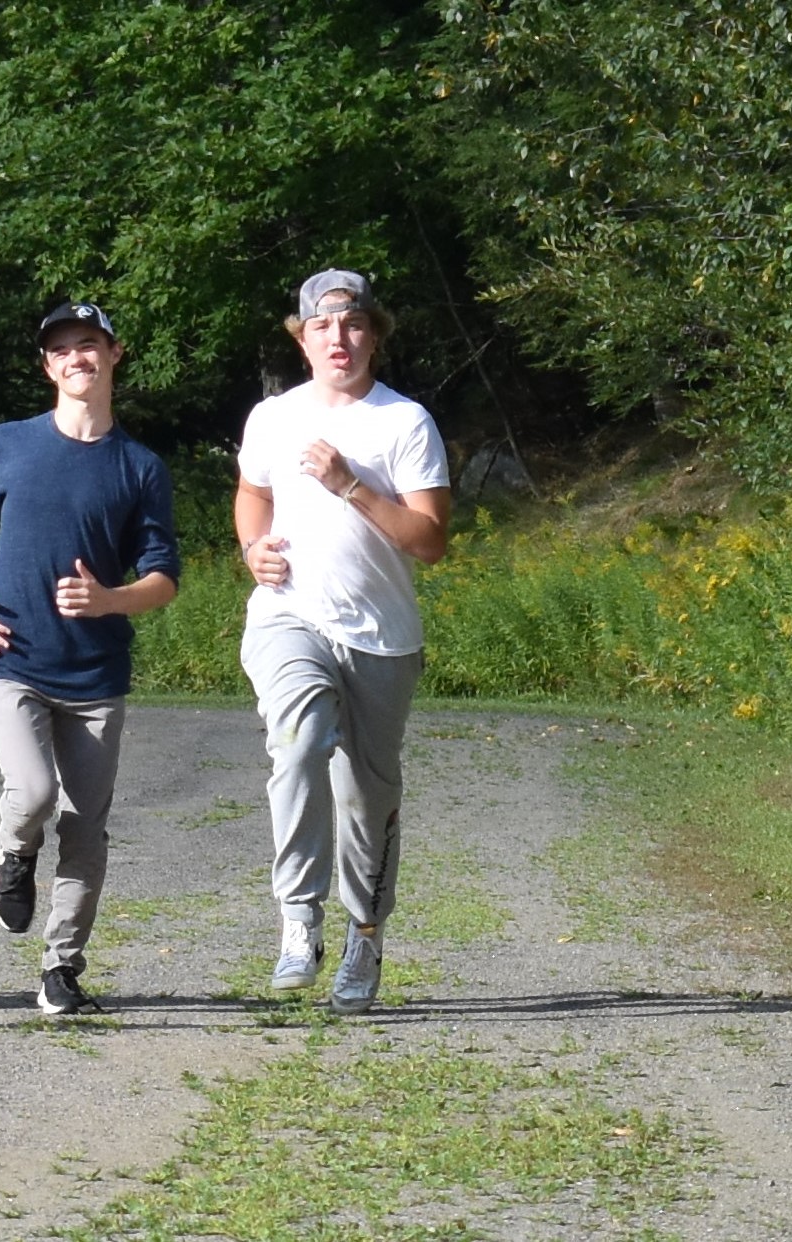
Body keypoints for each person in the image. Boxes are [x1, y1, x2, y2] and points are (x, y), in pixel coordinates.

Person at [0, 301, 180, 1015]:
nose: (78, 357)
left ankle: (62, 968)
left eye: (89, 344)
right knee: (33, 792)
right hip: (11, 658)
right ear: (48, 367)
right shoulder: (11, 443)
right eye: (63, 349)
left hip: (96, 675)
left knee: (84, 826)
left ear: (114, 354)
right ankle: (15, 855)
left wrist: (109, 599)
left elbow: (163, 578)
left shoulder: (140, 466)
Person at [234, 269, 451, 1015]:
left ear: (373, 336)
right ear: (302, 339)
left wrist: (351, 485)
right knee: (297, 743)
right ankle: (300, 918)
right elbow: (253, 491)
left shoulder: (405, 422)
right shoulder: (273, 417)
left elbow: (430, 541)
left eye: (353, 325)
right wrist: (253, 548)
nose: (338, 339)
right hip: (289, 616)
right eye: (321, 327)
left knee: (367, 795)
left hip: (381, 638)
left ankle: (365, 933)